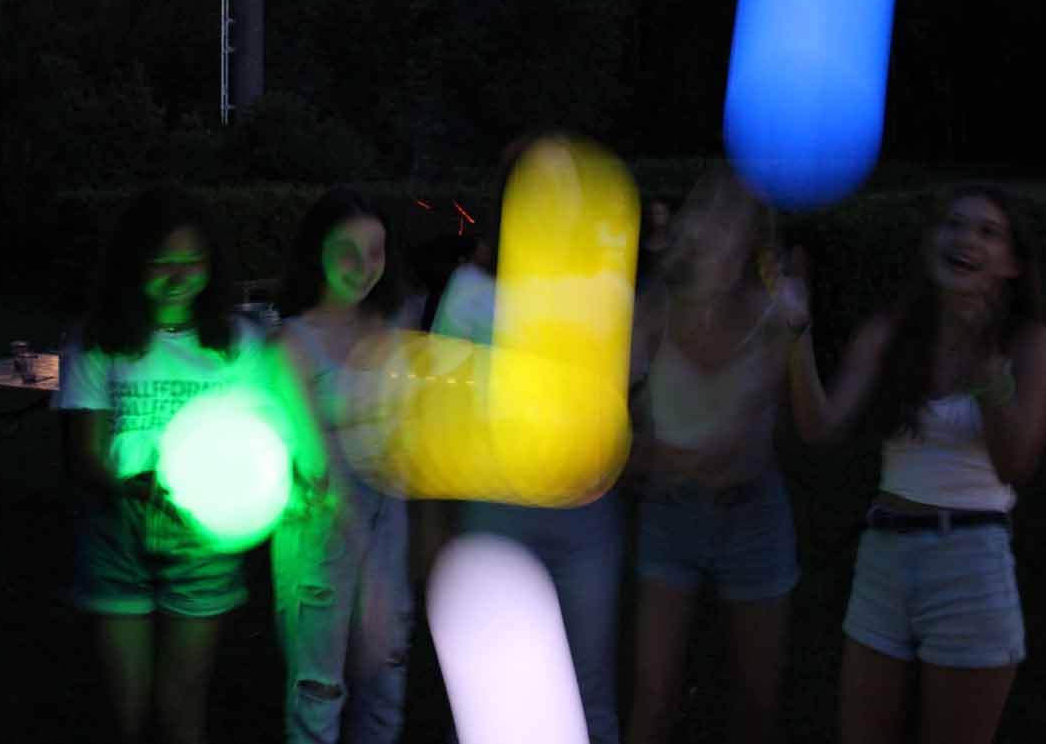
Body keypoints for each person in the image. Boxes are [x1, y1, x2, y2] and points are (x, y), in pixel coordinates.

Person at [784, 184, 1046, 744]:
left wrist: (989, 379)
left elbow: (1015, 465)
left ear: (1011, 263)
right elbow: (821, 429)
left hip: (970, 561)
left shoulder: (1033, 345)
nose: (965, 238)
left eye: (987, 232)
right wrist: (794, 333)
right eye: (954, 225)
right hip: (883, 557)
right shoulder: (889, 333)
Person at [54, 185, 266, 744]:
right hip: (117, 534)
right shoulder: (97, 341)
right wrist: (130, 488)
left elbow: (258, 439)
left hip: (202, 541)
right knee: (125, 709)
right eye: (161, 262)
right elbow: (85, 452)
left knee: (184, 700)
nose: (179, 276)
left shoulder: (238, 344)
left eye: (192, 260)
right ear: (132, 265)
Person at [431, 137, 624, 744]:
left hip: (584, 515)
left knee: (587, 688)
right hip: (497, 514)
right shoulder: (471, 290)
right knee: (494, 696)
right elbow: (440, 407)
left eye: (564, 184)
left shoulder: (603, 283)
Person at [625, 168, 808, 744]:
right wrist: (658, 456)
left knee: (755, 704)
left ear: (754, 237)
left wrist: (797, 331)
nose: (718, 231)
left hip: (753, 515)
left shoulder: (775, 314)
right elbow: (612, 431)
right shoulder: (653, 310)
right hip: (670, 513)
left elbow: (776, 431)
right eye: (709, 214)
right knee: (654, 700)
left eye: (734, 220)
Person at [271, 188, 414, 744]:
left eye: (375, 252)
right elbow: (314, 465)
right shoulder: (293, 344)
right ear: (318, 253)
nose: (363, 267)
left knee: (387, 686)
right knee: (319, 691)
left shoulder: (389, 332)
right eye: (347, 252)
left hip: (388, 526)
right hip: (320, 538)